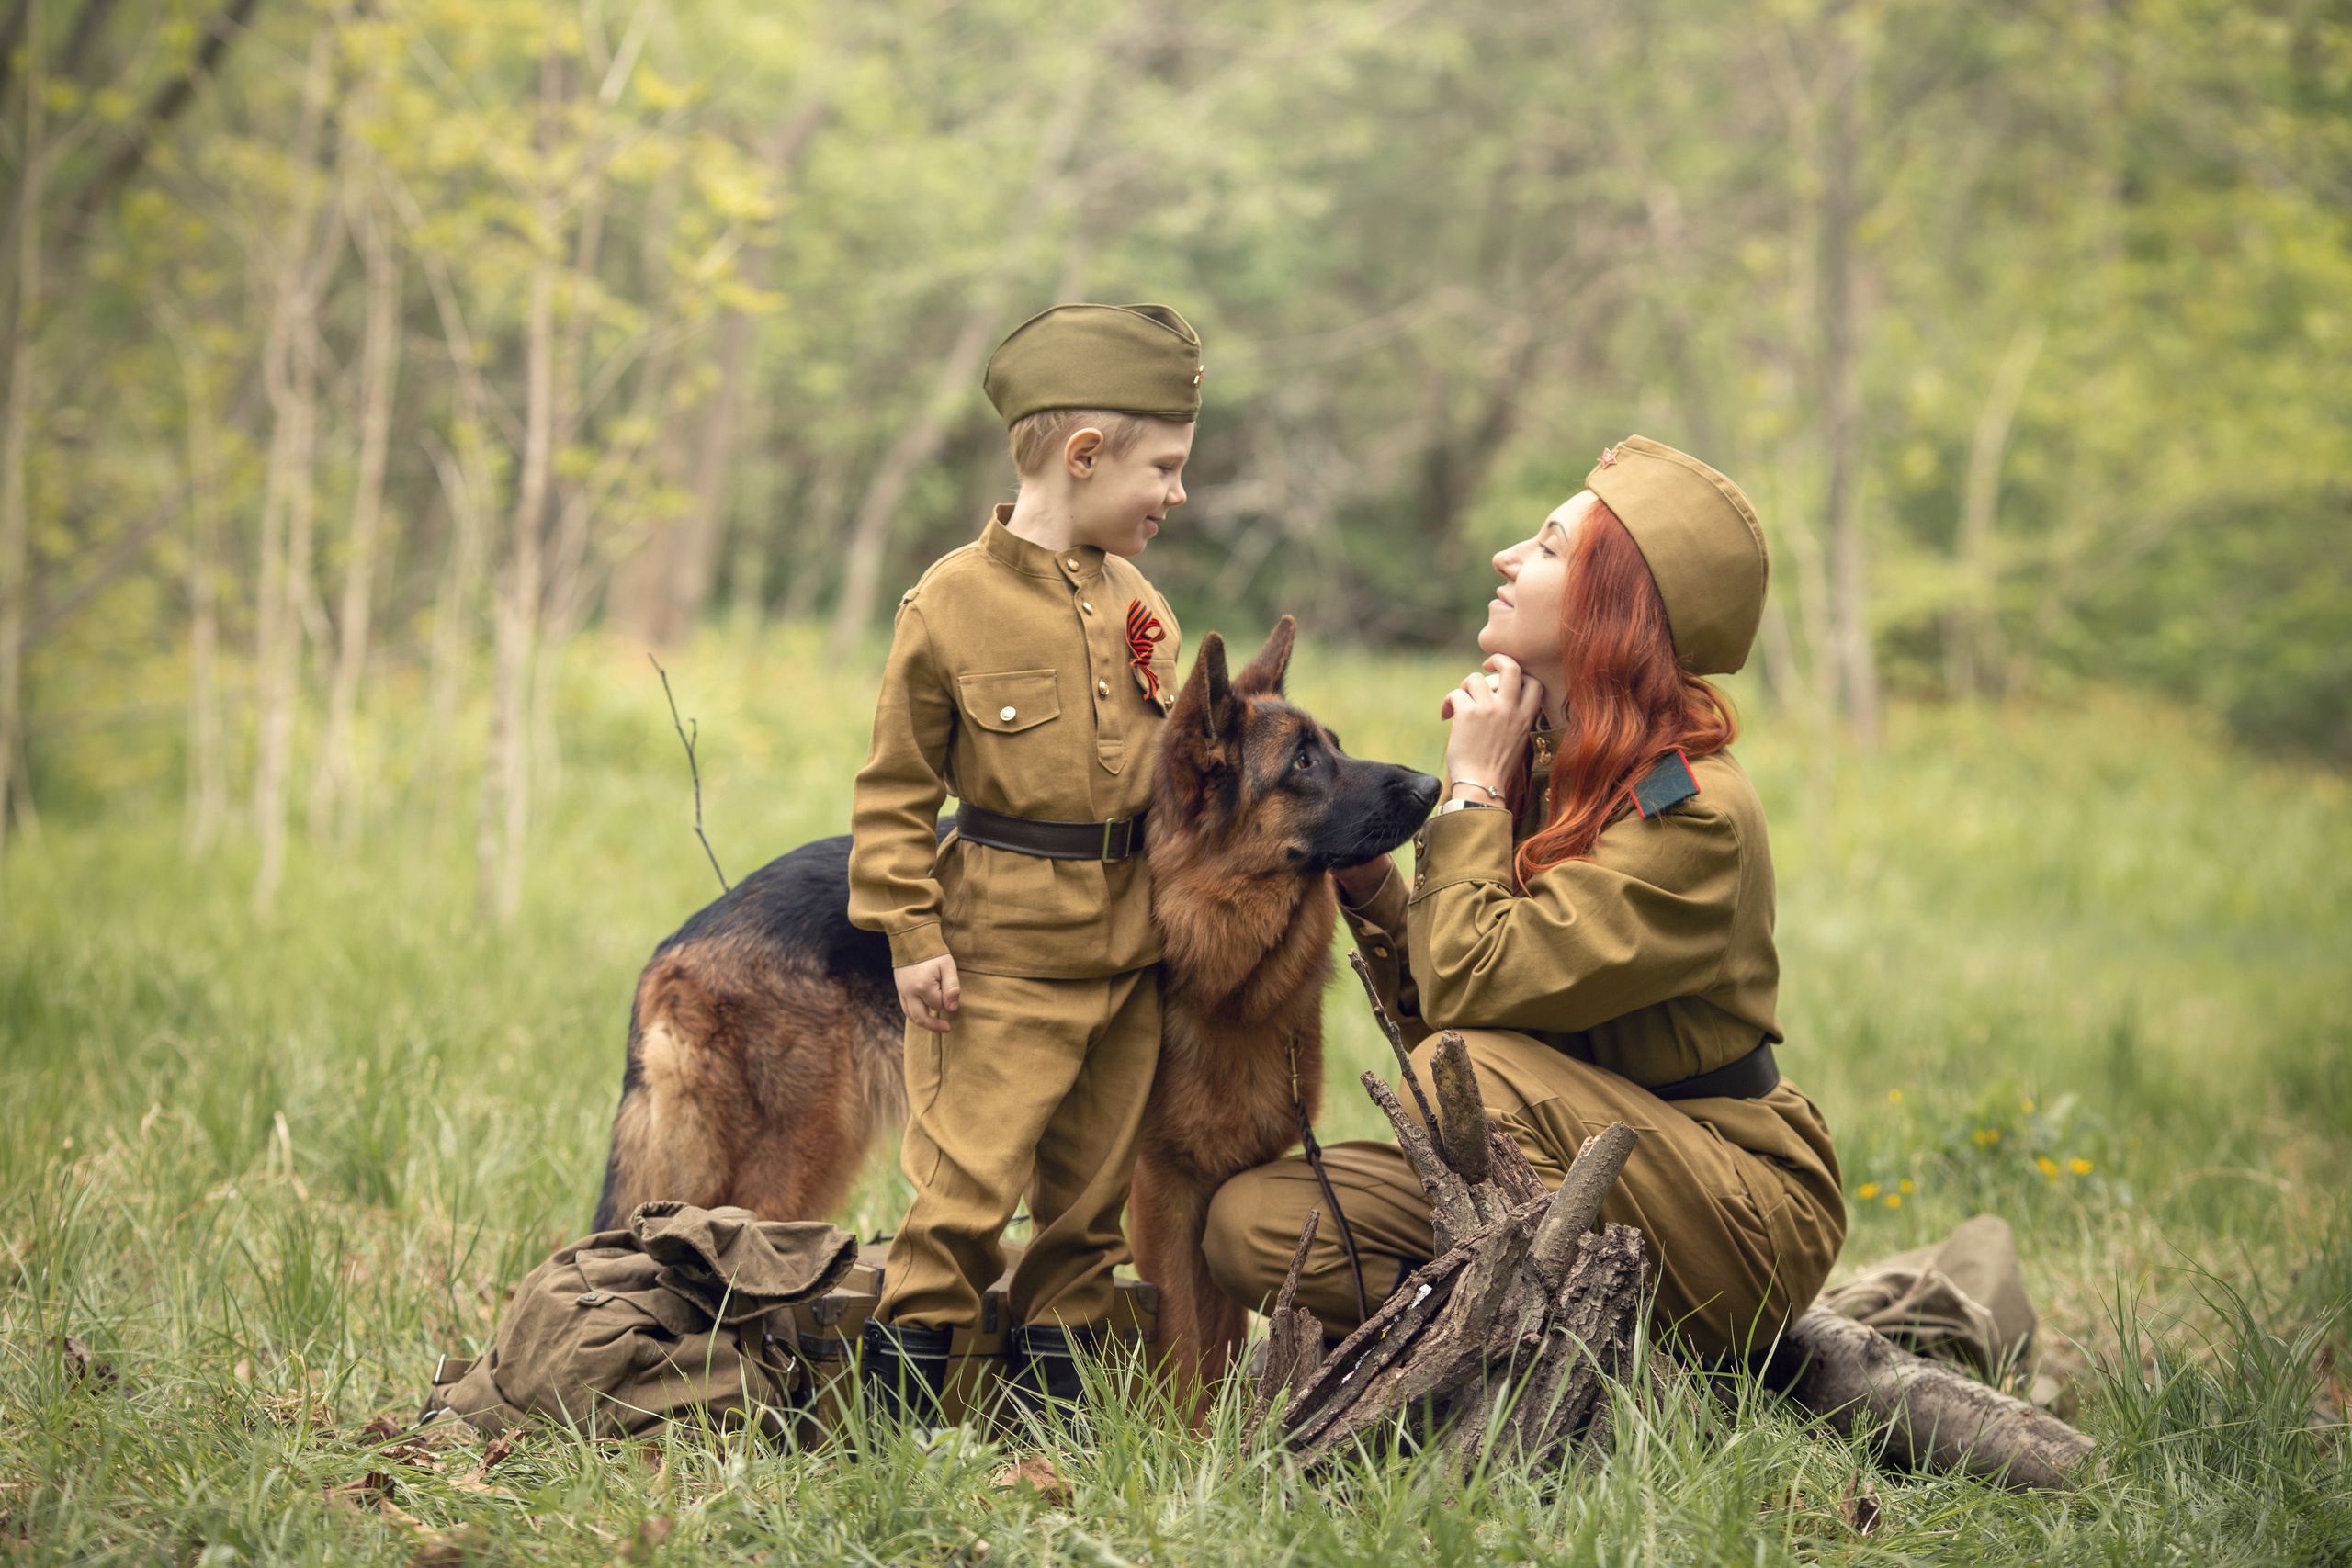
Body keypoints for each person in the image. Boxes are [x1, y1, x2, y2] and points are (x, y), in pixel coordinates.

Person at [1199, 436, 1846, 1362]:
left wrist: (1471, 794)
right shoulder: (1543, 762)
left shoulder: (1692, 812)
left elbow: (1470, 995)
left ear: (1608, 606)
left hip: (1733, 1204)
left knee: (1460, 1069)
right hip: (1552, 1157)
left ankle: (1604, 1350)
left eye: (1546, 547)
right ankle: (1509, 1338)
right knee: (1251, 1224)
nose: (1507, 558)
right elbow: (1467, 995)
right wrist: (1374, 888)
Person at [846, 302, 1200, 1415]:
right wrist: (910, 935)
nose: (1176, 495)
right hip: (997, 960)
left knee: (1089, 1216)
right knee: (961, 1198)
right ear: (1086, 457)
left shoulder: (1143, 606)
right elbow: (897, 792)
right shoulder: (948, 605)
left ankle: (1049, 1430)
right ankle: (895, 1437)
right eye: (1166, 469)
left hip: (1127, 956)